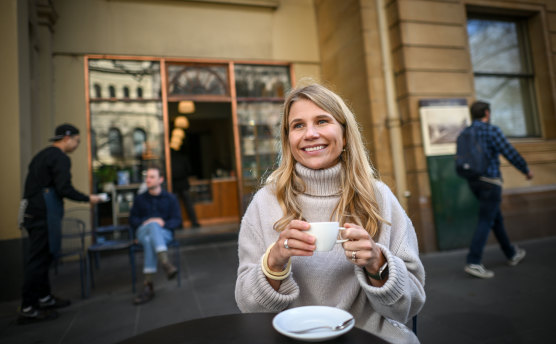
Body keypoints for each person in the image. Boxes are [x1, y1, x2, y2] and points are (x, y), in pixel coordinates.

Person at [235, 83, 425, 344]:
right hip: (290, 338)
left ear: (345, 134)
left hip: (369, 337)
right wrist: (274, 262)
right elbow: (249, 308)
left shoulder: (379, 197)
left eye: (322, 121)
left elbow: (409, 307)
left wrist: (377, 263)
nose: (310, 134)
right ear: (288, 139)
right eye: (298, 125)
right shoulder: (265, 202)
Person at [18, 123, 102, 325]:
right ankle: (28, 308)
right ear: (67, 138)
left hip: (31, 212)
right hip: (42, 214)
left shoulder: (42, 155)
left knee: (44, 257)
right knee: (38, 259)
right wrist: (88, 198)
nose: (77, 145)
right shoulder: (60, 158)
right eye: (77, 141)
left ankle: (44, 298)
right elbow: (65, 188)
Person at [462, 101, 533, 279]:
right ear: (486, 113)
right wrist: (526, 169)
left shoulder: (465, 133)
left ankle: (511, 253)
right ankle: (474, 261)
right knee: (486, 219)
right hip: (491, 182)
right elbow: (509, 152)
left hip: (474, 182)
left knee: (495, 218)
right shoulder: (491, 130)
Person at [129, 166, 182, 305]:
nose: (148, 180)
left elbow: (177, 220)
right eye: (147, 177)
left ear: (161, 179)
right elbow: (132, 220)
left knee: (149, 240)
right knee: (151, 226)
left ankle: (148, 285)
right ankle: (165, 262)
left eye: (152, 177)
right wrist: (146, 222)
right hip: (142, 230)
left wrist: (162, 223)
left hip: (164, 233)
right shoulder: (140, 199)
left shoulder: (170, 198)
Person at [171, 147, 200, 228]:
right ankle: (194, 222)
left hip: (175, 184)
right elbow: (189, 170)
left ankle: (179, 224)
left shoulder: (169, 159)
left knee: (177, 205)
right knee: (188, 204)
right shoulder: (183, 158)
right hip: (183, 183)